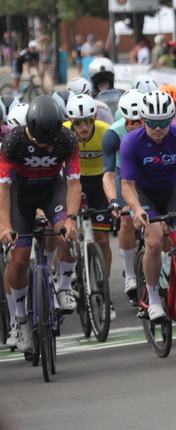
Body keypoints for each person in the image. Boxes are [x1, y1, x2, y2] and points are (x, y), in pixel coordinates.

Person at [0, 96, 81, 351]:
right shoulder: (13, 141)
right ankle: (21, 320)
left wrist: (71, 218)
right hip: (19, 196)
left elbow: (73, 182)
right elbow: (3, 188)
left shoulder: (68, 139)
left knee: (66, 235)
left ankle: (64, 286)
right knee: (20, 259)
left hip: (51, 190)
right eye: (38, 139)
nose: (44, 143)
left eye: (49, 139)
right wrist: (4, 225)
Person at [121, 91, 176, 325]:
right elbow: (126, 184)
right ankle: (154, 298)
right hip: (144, 194)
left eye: (163, 122)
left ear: (171, 119)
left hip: (172, 191)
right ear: (143, 120)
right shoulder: (131, 142)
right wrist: (136, 209)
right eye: (152, 123)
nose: (158, 128)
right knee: (154, 241)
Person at [64, 94, 116, 320]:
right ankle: (69, 276)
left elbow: (116, 167)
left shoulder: (106, 131)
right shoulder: (63, 133)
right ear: (70, 120)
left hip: (98, 182)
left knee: (102, 239)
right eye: (77, 122)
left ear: (94, 117)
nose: (83, 127)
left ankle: (104, 289)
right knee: (68, 233)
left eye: (87, 121)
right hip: (71, 181)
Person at [102, 89, 146, 303]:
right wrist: (113, 201)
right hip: (124, 174)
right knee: (127, 219)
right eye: (131, 122)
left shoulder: (158, 128)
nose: (136, 127)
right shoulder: (113, 133)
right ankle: (130, 275)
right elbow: (108, 175)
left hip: (149, 172)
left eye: (141, 122)